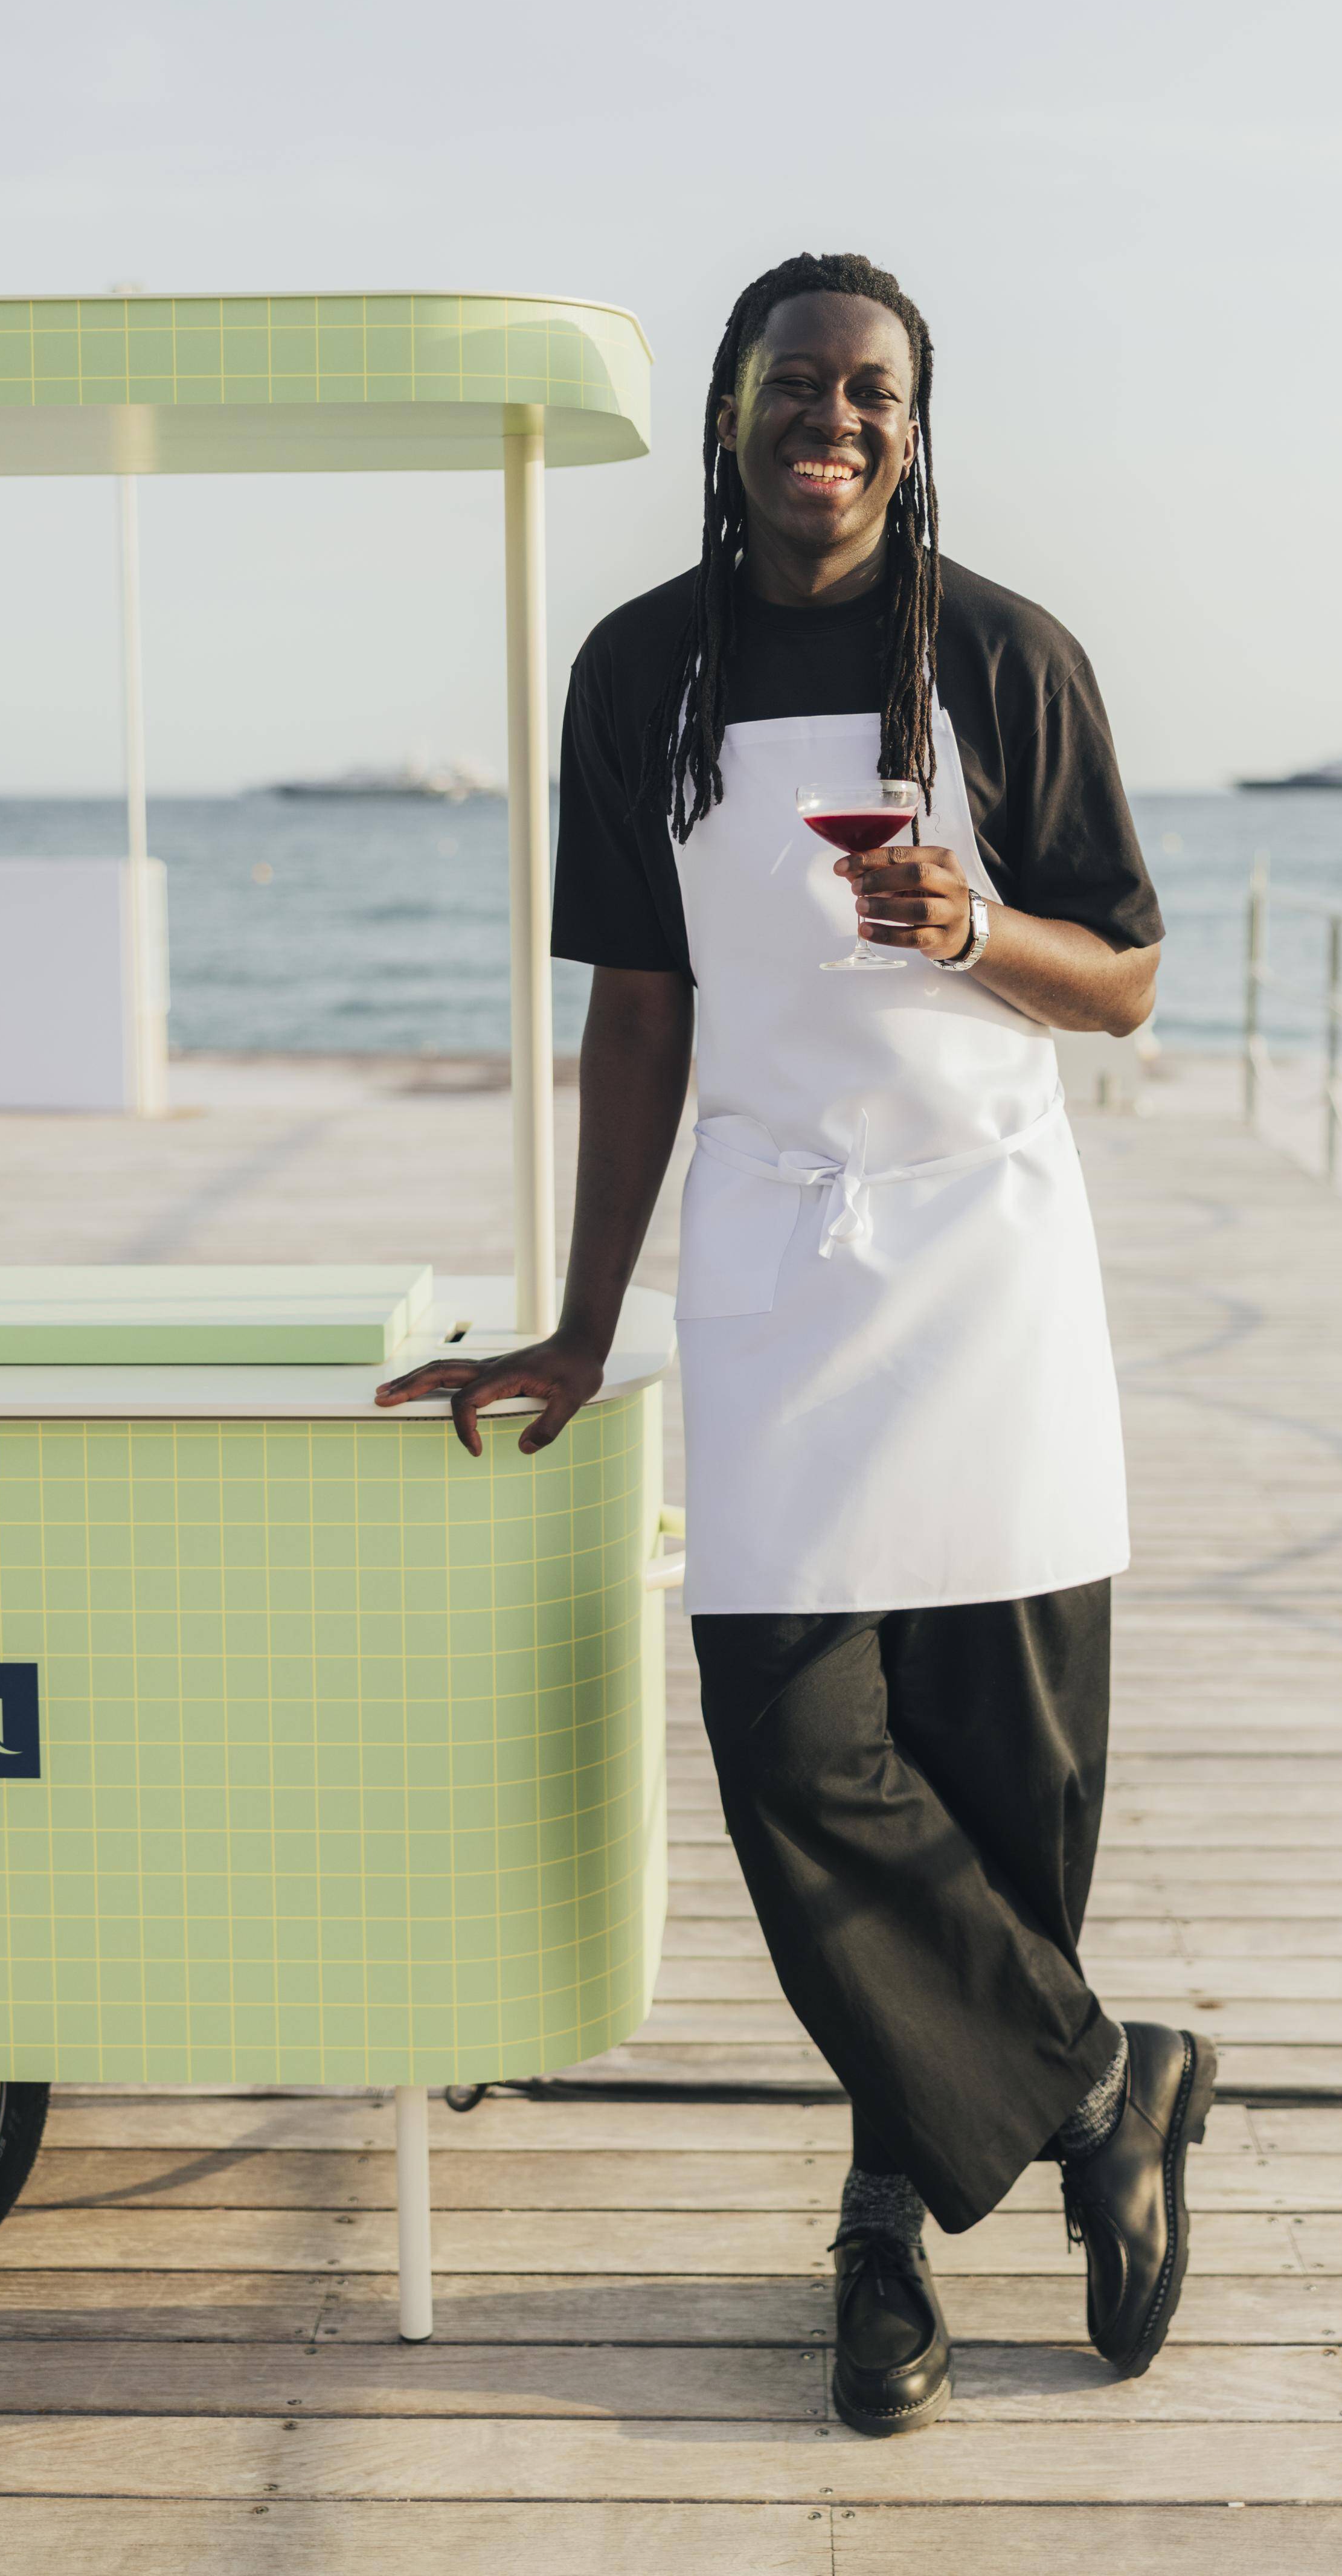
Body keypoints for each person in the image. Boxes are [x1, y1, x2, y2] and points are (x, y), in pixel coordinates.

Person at [379, 251, 1214, 2436]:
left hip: (987, 1278)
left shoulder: (1010, 662)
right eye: (795, 385)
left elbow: (1125, 978)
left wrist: (980, 927)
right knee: (795, 1764)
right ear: (737, 408)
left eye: (875, 394)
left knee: (1007, 1801)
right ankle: (1115, 2077)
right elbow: (639, 1016)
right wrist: (581, 1321)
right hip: (773, 1273)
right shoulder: (642, 674)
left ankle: (881, 2238)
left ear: (913, 431)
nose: (833, 421)